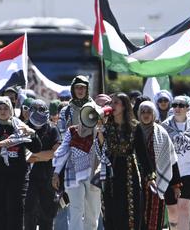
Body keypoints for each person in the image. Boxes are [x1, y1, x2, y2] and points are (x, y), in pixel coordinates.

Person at [0, 96, 41, 229]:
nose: (2, 111)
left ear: (11, 109)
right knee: (0, 212)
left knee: (17, 211)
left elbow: (36, 148)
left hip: (18, 176)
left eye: (6, 108)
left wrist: (33, 134)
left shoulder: (20, 126)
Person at [99, 94, 156, 230]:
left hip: (129, 171)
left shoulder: (135, 127)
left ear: (124, 106)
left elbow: (142, 153)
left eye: (116, 103)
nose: (112, 105)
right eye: (111, 102)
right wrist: (99, 129)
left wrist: (150, 176)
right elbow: (102, 149)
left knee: (130, 211)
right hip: (110, 170)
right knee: (111, 209)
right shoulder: (106, 126)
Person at [52, 101, 102, 230]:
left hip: (93, 176)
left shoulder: (100, 132)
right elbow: (63, 150)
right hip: (73, 174)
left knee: (92, 212)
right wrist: (56, 172)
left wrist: (100, 129)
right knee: (76, 210)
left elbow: (103, 150)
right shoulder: (72, 130)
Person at [162, 95, 190, 230]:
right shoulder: (164, 126)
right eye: (175, 105)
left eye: (181, 105)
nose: (177, 108)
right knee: (173, 210)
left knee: (184, 207)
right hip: (171, 171)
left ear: (188, 108)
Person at [137, 101, 180, 230]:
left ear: (154, 114)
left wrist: (176, 185)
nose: (146, 115)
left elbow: (171, 159)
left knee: (155, 216)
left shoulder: (161, 133)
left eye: (149, 112)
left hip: (157, 180)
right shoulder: (134, 131)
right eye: (143, 112)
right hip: (136, 179)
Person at [24, 99, 61, 230]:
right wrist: (44, 155)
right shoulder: (24, 128)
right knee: (29, 213)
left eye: (42, 110)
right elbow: (24, 156)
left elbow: (55, 153)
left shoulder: (52, 128)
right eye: (36, 110)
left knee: (48, 213)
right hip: (28, 178)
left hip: (47, 177)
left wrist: (35, 155)